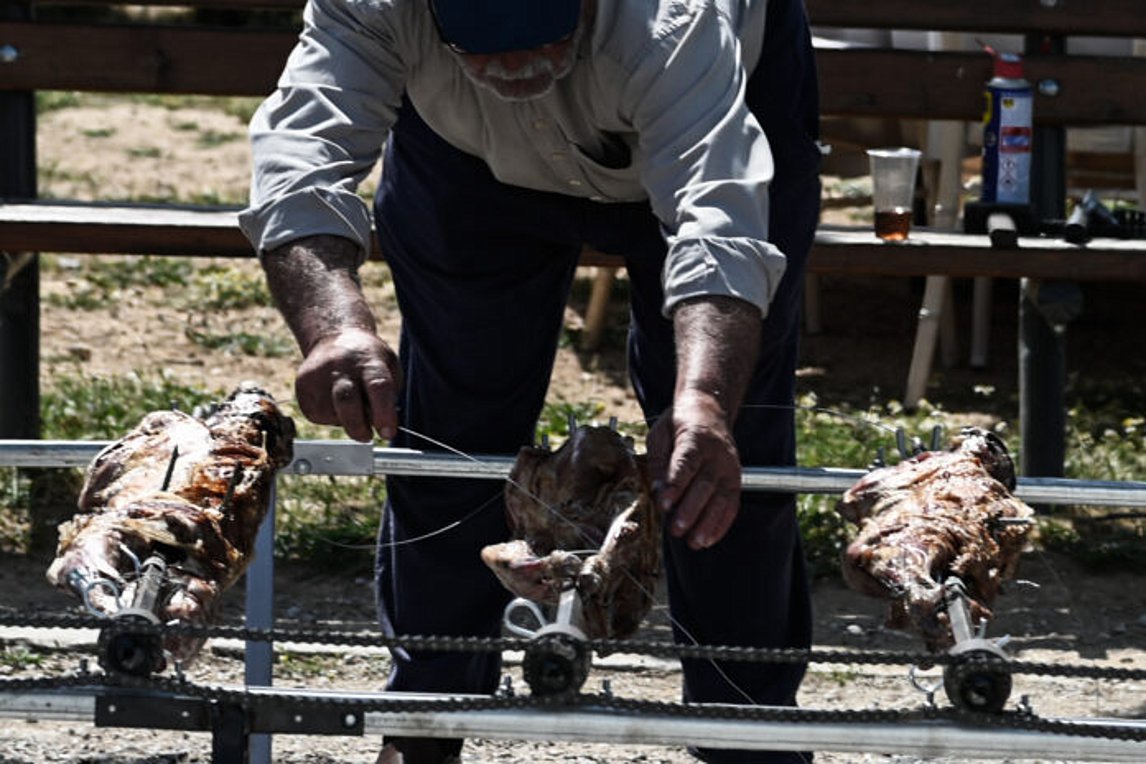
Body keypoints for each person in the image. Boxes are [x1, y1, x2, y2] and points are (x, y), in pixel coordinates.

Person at [240, 0, 821, 761]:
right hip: (462, 155)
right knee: (450, 432)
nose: (517, 68)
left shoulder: (672, 23)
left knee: (715, 459)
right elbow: (301, 151)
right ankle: (427, 716)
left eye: (540, 39)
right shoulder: (373, 6)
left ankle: (747, 730)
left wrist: (704, 399)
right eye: (485, 46)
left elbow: (720, 220)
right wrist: (335, 327)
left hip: (700, 118)